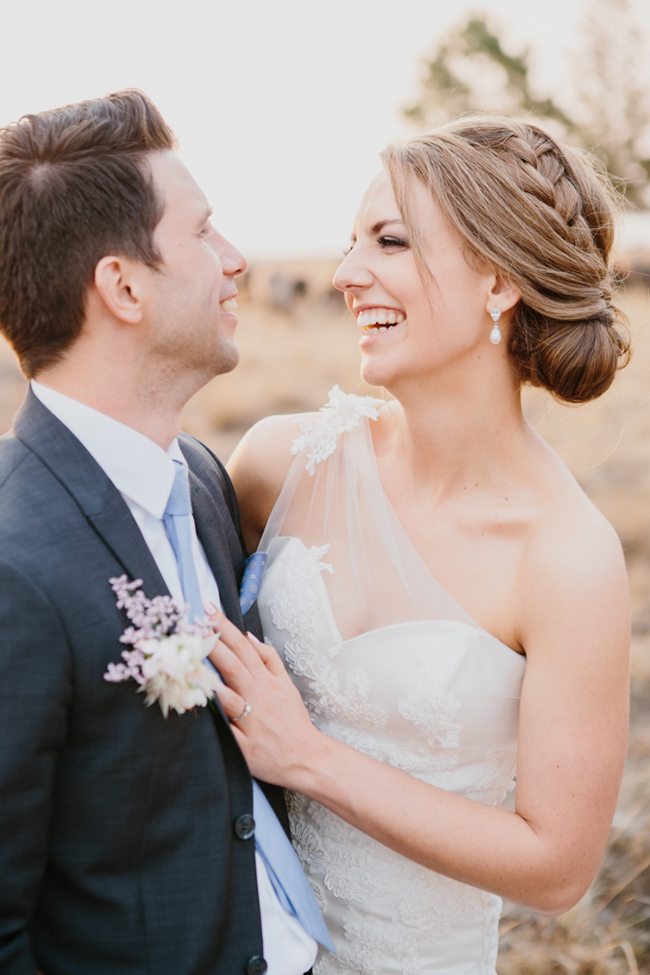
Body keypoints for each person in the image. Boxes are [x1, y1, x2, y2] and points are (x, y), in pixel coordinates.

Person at [207, 116, 631, 974]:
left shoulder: (566, 557)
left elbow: (558, 866)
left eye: (390, 241)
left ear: (499, 282)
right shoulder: (278, 465)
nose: (344, 275)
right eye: (351, 242)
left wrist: (313, 759)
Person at [0, 90, 331, 975]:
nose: (235, 260)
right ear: (123, 286)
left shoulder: (203, 476)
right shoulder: (11, 565)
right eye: (203, 233)